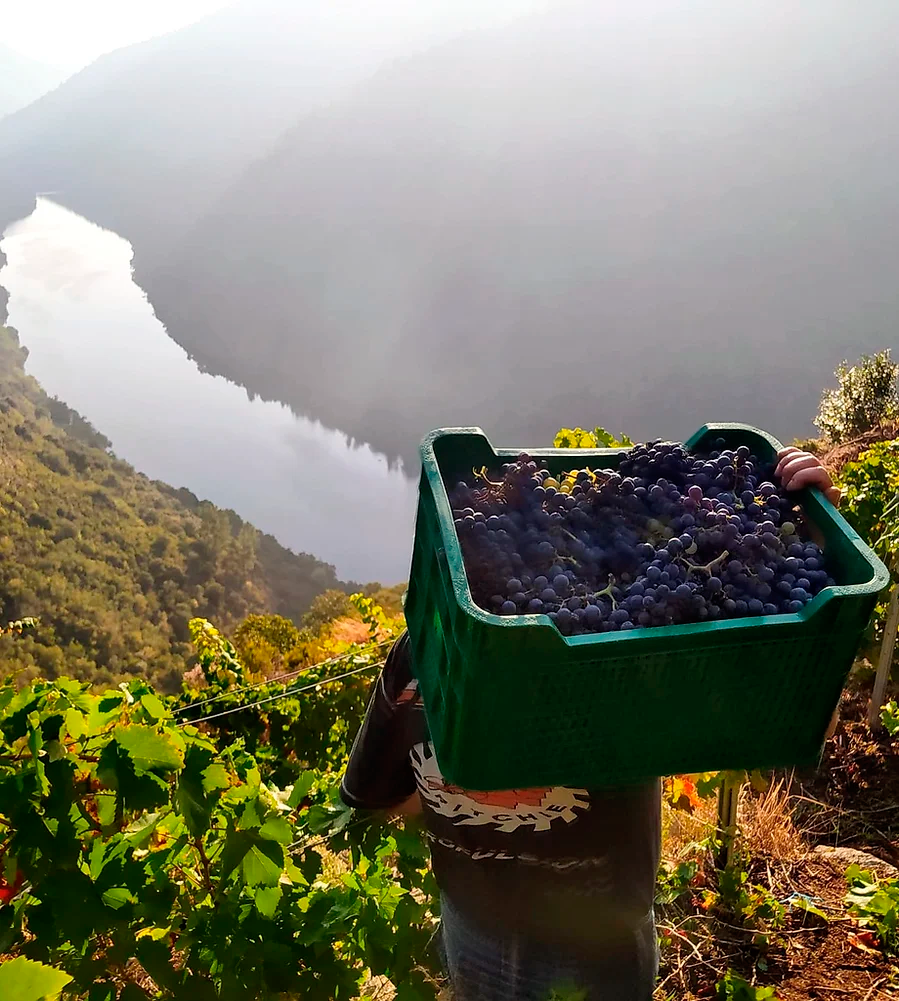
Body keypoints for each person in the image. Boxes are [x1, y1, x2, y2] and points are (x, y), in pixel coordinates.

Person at [340, 446, 839, 1001]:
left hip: (600, 945)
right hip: (477, 928)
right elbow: (383, 795)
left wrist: (805, 536)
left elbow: (772, 699)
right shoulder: (420, 664)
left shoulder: (622, 662)